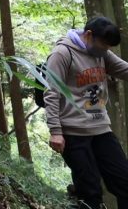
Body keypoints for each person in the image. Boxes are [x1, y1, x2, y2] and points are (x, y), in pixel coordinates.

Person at [44, 15, 128, 209]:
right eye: (103, 45)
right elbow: (51, 92)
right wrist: (55, 131)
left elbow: (124, 69)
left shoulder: (102, 53)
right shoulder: (62, 53)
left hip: (101, 129)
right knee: (90, 191)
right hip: (73, 132)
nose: (105, 50)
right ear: (89, 35)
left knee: (123, 181)